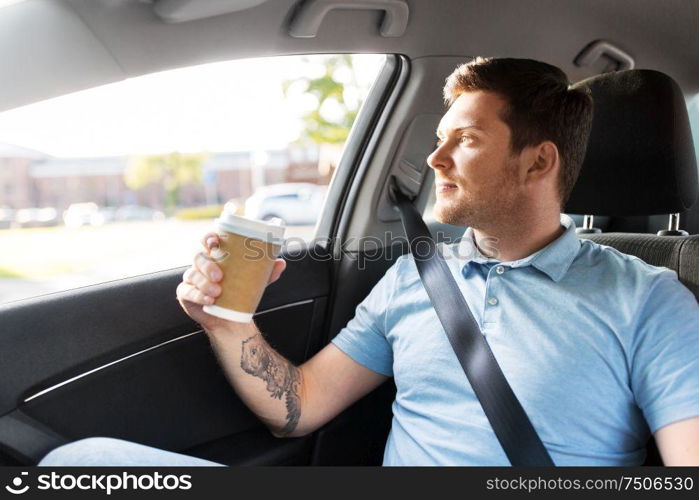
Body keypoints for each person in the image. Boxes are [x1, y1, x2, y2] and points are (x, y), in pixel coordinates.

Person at [39, 57, 699, 467]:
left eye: (462, 142)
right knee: (83, 461)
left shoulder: (649, 298)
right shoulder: (415, 275)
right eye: (437, 141)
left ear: (537, 161)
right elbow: (297, 408)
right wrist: (224, 321)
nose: (433, 161)